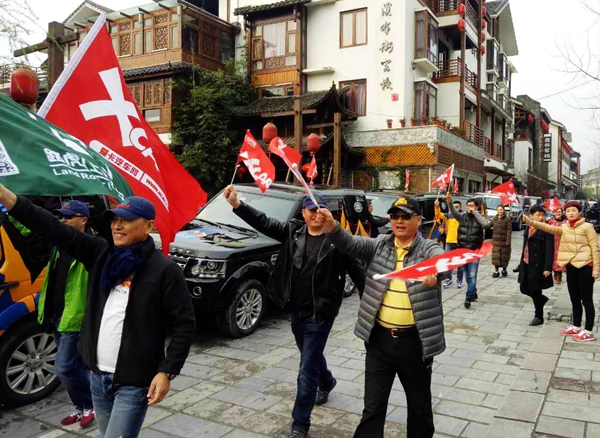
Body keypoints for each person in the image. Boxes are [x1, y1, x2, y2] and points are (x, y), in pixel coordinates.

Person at [0, 187, 196, 438]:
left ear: (148, 226)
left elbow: (184, 323)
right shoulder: (100, 255)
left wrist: (167, 370)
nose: (117, 226)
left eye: (126, 220)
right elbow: (50, 226)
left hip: (133, 381)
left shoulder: (165, 270)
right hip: (96, 376)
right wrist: (5, 195)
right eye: (115, 220)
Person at [223, 186, 364, 438]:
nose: (316, 214)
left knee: (306, 367)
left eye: (320, 210)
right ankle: (327, 381)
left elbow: (359, 274)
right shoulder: (293, 232)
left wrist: (371, 307)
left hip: (321, 313)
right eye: (311, 210)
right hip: (297, 310)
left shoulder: (338, 241)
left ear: (327, 213)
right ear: (304, 213)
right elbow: (264, 222)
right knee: (310, 354)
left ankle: (300, 424)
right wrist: (237, 204)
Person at [318, 196, 447, 438]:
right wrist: (332, 226)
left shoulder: (427, 248)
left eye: (405, 216)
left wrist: (435, 271)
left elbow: (441, 259)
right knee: (373, 408)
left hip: (415, 344)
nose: (399, 221)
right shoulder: (379, 246)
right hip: (379, 342)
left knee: (419, 408)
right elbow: (351, 243)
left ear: (418, 220)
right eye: (395, 216)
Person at [37, 201, 95, 427]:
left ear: (84, 220)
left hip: (75, 318)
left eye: (69, 217)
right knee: (75, 366)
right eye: (60, 217)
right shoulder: (58, 244)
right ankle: (79, 408)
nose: (63, 221)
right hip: (56, 314)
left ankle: (91, 404)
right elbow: (31, 226)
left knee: (64, 367)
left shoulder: (92, 248)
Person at [524, 201, 600, 341]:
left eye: (574, 210)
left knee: (586, 299)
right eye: (568, 211)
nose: (571, 213)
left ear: (579, 212)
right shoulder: (564, 227)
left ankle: (588, 330)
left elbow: (595, 248)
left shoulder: (588, 227)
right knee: (574, 297)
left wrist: (596, 269)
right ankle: (576, 325)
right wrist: (531, 222)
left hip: (586, 266)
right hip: (571, 266)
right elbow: (549, 228)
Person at [445, 193, 490, 308]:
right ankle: (473, 293)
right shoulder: (462, 217)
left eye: (472, 205)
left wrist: (475, 213)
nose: (469, 207)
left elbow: (486, 225)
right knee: (467, 275)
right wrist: (450, 202)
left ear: (477, 207)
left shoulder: (479, 218)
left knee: (472, 275)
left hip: (474, 252)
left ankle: (468, 298)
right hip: (462, 252)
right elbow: (453, 212)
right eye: (468, 205)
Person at [518, 206, 554, 326]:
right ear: (531, 216)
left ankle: (539, 317)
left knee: (535, 290)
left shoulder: (547, 229)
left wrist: (547, 267)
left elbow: (550, 250)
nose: (541, 217)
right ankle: (542, 300)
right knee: (524, 288)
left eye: (543, 215)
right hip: (526, 262)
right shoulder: (528, 227)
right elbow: (525, 246)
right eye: (538, 215)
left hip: (538, 265)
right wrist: (520, 263)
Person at [435, 200, 464, 289]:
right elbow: (438, 215)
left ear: (460, 207)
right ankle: (448, 279)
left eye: (456, 207)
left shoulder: (463, 216)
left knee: (460, 263)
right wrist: (437, 206)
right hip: (449, 241)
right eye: (453, 207)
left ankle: (459, 280)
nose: (454, 208)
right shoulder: (448, 216)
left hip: (460, 242)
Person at [490, 205, 512, 278]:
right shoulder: (495, 218)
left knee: (504, 257)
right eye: (498, 210)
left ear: (504, 210)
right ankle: (496, 271)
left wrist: (508, 241)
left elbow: (509, 231)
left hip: (504, 242)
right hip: (496, 242)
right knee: (495, 257)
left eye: (501, 210)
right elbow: (488, 225)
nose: (500, 211)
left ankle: (504, 270)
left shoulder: (507, 219)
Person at [547, 207, 566, 284]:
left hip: (562, 244)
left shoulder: (565, 222)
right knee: (553, 259)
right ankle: (555, 272)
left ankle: (559, 274)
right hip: (552, 243)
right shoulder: (550, 221)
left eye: (559, 212)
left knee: (560, 259)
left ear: (562, 213)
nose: (558, 213)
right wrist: (546, 221)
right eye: (556, 212)